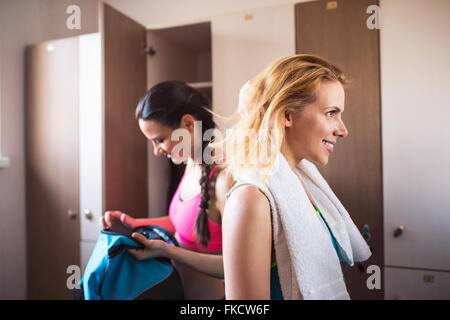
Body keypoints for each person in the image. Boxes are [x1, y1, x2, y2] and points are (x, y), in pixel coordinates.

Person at [216, 54, 372, 300]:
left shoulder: (299, 182)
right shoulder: (251, 199)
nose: (342, 130)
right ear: (286, 115)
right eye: (331, 113)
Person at [101, 81, 234, 300]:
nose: (156, 151)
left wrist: (168, 251)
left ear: (189, 124)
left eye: (160, 140)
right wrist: (134, 224)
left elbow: (237, 266)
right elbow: (184, 226)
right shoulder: (192, 164)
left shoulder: (224, 179)